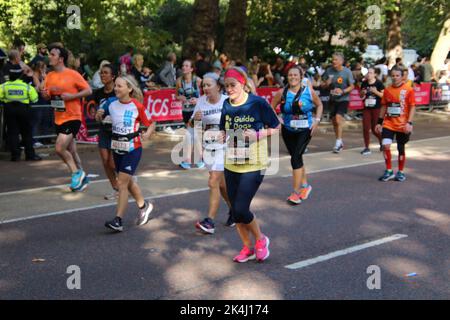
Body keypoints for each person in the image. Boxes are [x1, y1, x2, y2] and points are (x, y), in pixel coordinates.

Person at [219, 67, 280, 263]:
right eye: (226, 86)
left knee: (241, 208)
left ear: (243, 84)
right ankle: (247, 247)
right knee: (236, 212)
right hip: (232, 163)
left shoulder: (257, 103)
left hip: (254, 163)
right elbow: (224, 129)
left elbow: (276, 127)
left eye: (232, 85)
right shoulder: (226, 105)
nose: (229, 89)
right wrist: (220, 136)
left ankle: (261, 240)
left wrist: (258, 134)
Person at [97, 75, 155, 232]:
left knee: (121, 182)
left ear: (129, 88)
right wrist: (99, 114)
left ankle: (118, 220)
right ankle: (144, 206)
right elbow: (100, 112)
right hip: (117, 148)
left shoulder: (137, 106)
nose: (116, 88)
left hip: (133, 148)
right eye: (115, 85)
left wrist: (148, 134)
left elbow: (151, 123)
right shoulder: (111, 104)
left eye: (119, 86)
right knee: (128, 182)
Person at [41, 45, 92, 191]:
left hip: (73, 116)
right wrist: (45, 94)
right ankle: (83, 178)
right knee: (71, 150)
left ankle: (76, 173)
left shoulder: (72, 74)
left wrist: (72, 96)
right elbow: (47, 95)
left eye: (52, 54)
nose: (49, 56)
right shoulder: (50, 76)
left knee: (59, 148)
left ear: (61, 59)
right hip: (59, 116)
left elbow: (88, 90)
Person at [271, 66, 323, 204]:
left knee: (295, 158)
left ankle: (296, 192)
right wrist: (277, 119)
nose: (292, 77)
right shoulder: (282, 92)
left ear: (301, 77)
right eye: (290, 75)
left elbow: (319, 105)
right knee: (297, 157)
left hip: (305, 129)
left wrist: (317, 121)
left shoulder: (309, 91)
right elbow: (271, 107)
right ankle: (306, 186)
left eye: (295, 75)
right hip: (288, 130)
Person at [192, 73, 234, 234]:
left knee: (213, 181)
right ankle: (235, 210)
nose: (205, 88)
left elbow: (237, 121)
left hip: (225, 146)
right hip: (208, 145)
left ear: (218, 86)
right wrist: (196, 119)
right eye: (203, 85)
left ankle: (210, 221)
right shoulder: (201, 101)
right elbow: (193, 124)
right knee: (221, 185)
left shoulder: (227, 101)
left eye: (208, 85)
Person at [375, 66, 415, 182]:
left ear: (402, 76)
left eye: (397, 75)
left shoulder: (408, 90)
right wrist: (379, 122)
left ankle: (401, 172)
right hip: (389, 123)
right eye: (393, 75)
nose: (395, 78)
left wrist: (409, 123)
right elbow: (383, 106)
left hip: (402, 125)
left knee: (400, 148)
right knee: (385, 145)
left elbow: (412, 107)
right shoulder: (387, 90)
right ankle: (389, 170)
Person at [0, 64, 41, 161]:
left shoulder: (3, 86)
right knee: (27, 133)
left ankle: (15, 156)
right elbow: (35, 99)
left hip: (9, 110)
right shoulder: (26, 87)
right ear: (20, 75)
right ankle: (30, 155)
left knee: (12, 133)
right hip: (24, 111)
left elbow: (0, 97)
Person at [94, 64, 119, 200]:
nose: (102, 75)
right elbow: (94, 110)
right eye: (101, 73)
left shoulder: (119, 91)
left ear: (113, 76)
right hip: (104, 129)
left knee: (112, 162)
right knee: (105, 161)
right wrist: (97, 115)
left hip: (117, 131)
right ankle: (115, 188)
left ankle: (125, 182)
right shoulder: (98, 93)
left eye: (105, 73)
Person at [321, 52, 355, 153]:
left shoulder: (347, 72)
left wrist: (343, 91)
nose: (333, 61)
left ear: (341, 61)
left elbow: (352, 86)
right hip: (332, 99)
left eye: (336, 59)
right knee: (334, 122)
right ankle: (339, 141)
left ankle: (338, 142)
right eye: (333, 59)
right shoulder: (329, 70)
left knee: (338, 118)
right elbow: (322, 85)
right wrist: (327, 83)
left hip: (343, 99)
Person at [176, 59, 203, 169]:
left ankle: (196, 159)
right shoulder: (179, 81)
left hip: (196, 110)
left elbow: (206, 96)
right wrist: (180, 97)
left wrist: (198, 100)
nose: (184, 67)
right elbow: (176, 95)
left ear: (192, 69)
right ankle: (197, 159)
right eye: (183, 65)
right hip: (185, 110)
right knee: (191, 134)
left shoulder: (198, 80)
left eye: (187, 66)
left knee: (193, 134)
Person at [359, 67, 384, 155]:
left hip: (376, 108)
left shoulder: (379, 83)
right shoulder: (364, 83)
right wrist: (362, 93)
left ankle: (382, 142)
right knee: (365, 128)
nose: (368, 74)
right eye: (368, 73)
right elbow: (361, 96)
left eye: (370, 73)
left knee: (375, 129)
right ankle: (367, 147)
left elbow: (383, 96)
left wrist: (375, 91)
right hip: (366, 108)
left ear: (375, 74)